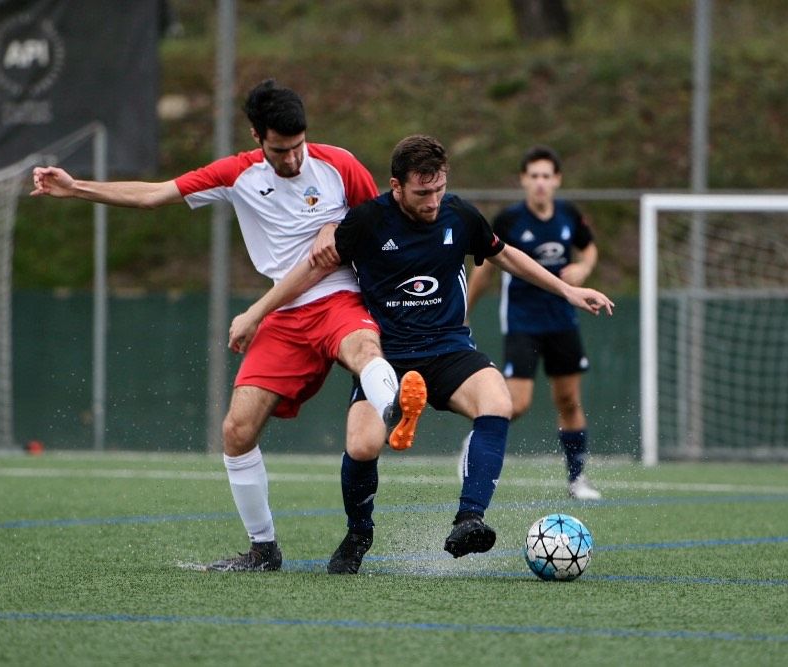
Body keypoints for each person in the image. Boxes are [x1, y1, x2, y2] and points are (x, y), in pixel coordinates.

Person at [30, 79, 427, 574]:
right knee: (236, 430)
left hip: (341, 298)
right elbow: (153, 195)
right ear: (258, 138)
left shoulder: (339, 165)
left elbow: (380, 220)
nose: (293, 160)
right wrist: (75, 188)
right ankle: (264, 550)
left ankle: (397, 408)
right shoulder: (236, 174)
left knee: (365, 348)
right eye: (281, 150)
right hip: (284, 316)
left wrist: (339, 229)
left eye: (300, 146)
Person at [229, 135, 613, 561]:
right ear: (396, 187)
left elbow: (506, 256)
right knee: (362, 445)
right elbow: (310, 269)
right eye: (422, 192)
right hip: (387, 357)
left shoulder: (459, 214)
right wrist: (257, 312)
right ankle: (359, 535)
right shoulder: (368, 221)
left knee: (497, 402)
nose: (433, 201)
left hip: (448, 348)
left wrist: (567, 291)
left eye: (439, 189)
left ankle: (469, 519)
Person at [467, 145, 602, 500]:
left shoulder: (569, 215)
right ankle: (477, 441)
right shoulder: (509, 221)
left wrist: (584, 268)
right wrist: (462, 309)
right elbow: (483, 270)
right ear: (524, 180)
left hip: (562, 320)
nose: (540, 183)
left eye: (547, 176)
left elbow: (588, 248)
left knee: (569, 400)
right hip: (522, 322)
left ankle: (577, 480)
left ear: (556, 180)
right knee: (517, 403)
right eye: (534, 176)